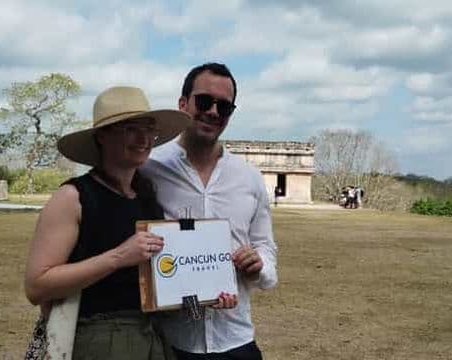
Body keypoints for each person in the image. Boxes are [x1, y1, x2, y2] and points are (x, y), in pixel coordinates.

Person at [23, 86, 235, 359]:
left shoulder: (147, 197)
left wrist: (202, 298)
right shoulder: (73, 197)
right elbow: (37, 286)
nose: (144, 139)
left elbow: (157, 287)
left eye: (149, 129)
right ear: (102, 136)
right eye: (130, 129)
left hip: (153, 338)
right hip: (99, 340)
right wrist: (119, 256)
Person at [141, 63, 278, 360]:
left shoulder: (249, 177)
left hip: (236, 340)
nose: (214, 112)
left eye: (224, 107)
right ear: (182, 104)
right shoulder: (149, 169)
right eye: (204, 101)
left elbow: (265, 247)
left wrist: (259, 265)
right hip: (170, 343)